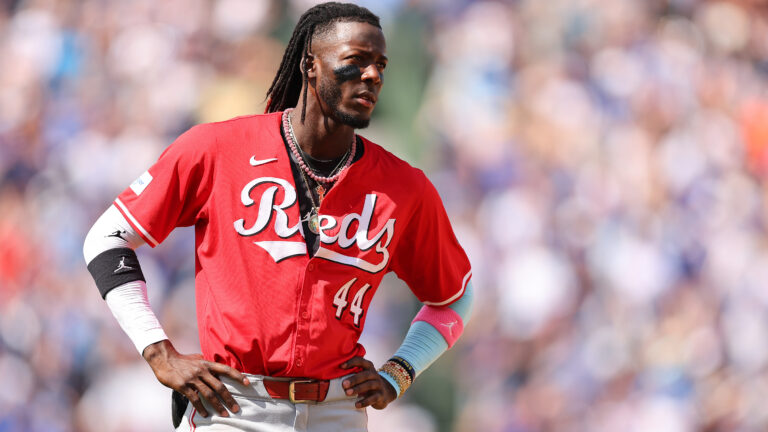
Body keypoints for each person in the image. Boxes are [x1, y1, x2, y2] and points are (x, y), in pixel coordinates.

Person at [83, 2, 474, 431]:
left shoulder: (405, 187)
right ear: (310, 64)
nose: (372, 75)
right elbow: (106, 239)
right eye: (355, 61)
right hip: (234, 408)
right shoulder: (216, 148)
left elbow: (453, 297)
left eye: (380, 64)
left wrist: (399, 372)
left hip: (338, 411)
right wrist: (159, 352)